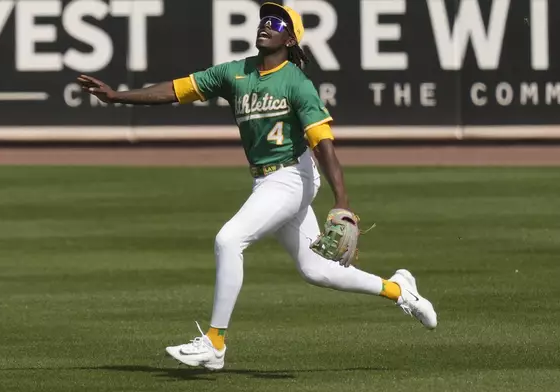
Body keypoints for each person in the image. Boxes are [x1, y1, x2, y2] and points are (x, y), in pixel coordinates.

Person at [77, 2, 437, 371]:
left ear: (290, 37)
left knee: (229, 239)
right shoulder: (235, 73)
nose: (266, 24)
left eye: (276, 21)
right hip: (266, 180)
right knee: (317, 271)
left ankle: (215, 343)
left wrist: (342, 203)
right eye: (264, 19)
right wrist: (116, 96)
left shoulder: (296, 82)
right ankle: (399, 289)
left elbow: (323, 143)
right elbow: (177, 89)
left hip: (293, 175)